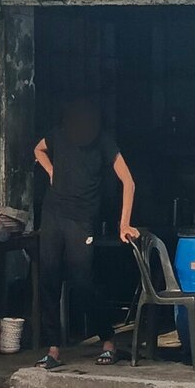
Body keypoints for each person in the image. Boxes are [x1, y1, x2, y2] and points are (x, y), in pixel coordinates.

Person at [33, 98, 138, 370]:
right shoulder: (58, 134)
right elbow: (38, 149)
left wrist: (123, 224)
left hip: (82, 218)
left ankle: (108, 339)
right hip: (53, 213)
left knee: (82, 282)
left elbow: (128, 181)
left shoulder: (103, 141)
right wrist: (51, 170)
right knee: (49, 278)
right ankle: (53, 349)